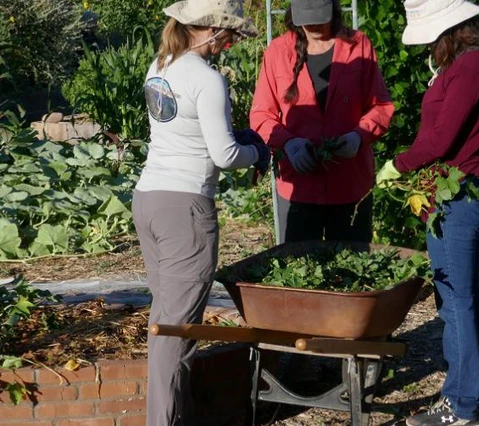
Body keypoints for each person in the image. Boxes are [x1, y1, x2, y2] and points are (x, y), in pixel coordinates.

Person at [132, 1, 268, 425]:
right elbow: (225, 155)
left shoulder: (160, 64)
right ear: (208, 29)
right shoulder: (208, 79)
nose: (228, 43)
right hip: (185, 209)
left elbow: (181, 130)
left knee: (169, 320)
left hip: (149, 199)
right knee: (174, 332)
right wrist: (258, 150)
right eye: (227, 34)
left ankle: (180, 416)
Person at [376, 1, 479, 425]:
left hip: (461, 194)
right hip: (450, 192)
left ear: (450, 28)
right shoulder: (463, 65)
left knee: (456, 302)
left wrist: (398, 164)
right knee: (462, 297)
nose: (429, 43)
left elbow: (442, 140)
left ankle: (461, 405)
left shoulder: (471, 66)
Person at [250, 0, 395, 244]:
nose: (314, 24)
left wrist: (359, 136)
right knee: (299, 270)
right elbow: (261, 114)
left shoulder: (358, 45)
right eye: (307, 18)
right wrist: (288, 143)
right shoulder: (278, 51)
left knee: (352, 266)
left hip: (350, 182)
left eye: (320, 16)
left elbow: (381, 106)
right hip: (299, 184)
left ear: (333, 10)